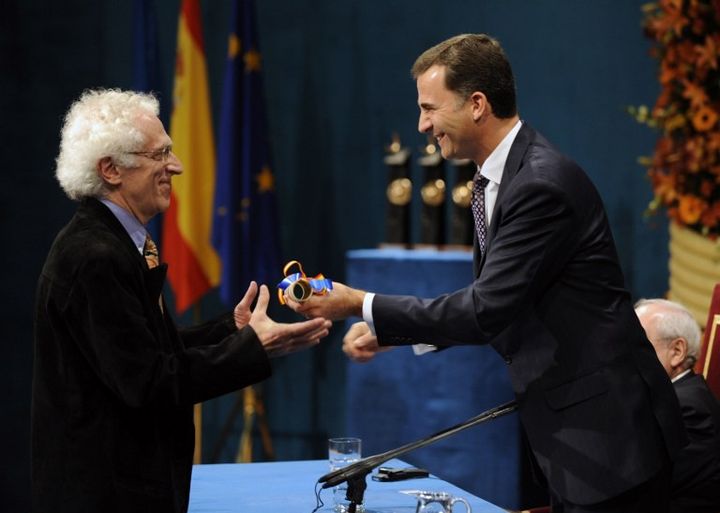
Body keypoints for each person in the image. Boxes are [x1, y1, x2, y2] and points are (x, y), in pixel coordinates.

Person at [287, 34, 686, 512]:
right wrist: (389, 332)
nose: (422, 125)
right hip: (578, 442)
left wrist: (360, 304)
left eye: (430, 108)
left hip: (611, 444)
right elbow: (500, 299)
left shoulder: (540, 184)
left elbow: (486, 309)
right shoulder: (500, 179)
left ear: (477, 104)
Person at [31, 88, 332, 513]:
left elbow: (145, 350)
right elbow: (150, 382)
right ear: (111, 169)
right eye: (160, 155)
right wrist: (252, 348)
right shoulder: (94, 256)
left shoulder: (110, 242)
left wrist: (232, 329)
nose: (177, 165)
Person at [635, 298, 720, 512]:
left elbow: (640, 486)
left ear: (677, 351)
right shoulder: (676, 397)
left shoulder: (689, 408)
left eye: (638, 345)